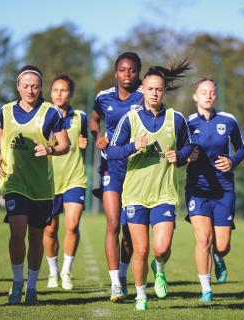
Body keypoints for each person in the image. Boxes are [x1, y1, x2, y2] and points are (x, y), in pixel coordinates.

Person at [108, 60, 193, 311]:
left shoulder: (175, 119)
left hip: (164, 193)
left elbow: (189, 145)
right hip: (134, 195)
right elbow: (112, 152)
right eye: (150, 89)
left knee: (161, 248)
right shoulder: (130, 119)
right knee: (141, 250)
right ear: (142, 90)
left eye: (159, 89)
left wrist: (181, 156)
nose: (155, 93)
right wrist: (134, 146)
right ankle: (141, 295)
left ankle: (161, 268)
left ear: (163, 91)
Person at [0, 65, 69, 305]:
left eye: (34, 86)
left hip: (41, 187)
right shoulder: (5, 111)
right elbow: (0, 137)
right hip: (14, 181)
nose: (30, 90)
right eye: (25, 86)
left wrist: (49, 149)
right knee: (17, 231)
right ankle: (17, 283)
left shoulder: (51, 113)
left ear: (40, 88)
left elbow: (64, 145)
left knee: (37, 238)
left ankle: (32, 287)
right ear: (18, 86)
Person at [186, 77, 244, 303]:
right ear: (195, 96)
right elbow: (178, 152)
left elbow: (242, 148)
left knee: (221, 245)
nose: (208, 95)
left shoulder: (228, 120)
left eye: (212, 92)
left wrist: (232, 161)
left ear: (216, 96)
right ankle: (206, 290)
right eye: (204, 92)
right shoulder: (188, 123)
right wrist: (187, 156)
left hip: (224, 189)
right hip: (197, 189)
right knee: (203, 240)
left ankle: (219, 257)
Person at [89, 52, 143, 301]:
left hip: (137, 169)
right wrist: (96, 135)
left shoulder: (144, 97)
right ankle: (115, 284)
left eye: (132, 70)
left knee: (129, 231)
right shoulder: (103, 97)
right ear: (115, 73)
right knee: (112, 224)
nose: (127, 74)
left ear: (138, 72)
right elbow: (94, 118)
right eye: (122, 70)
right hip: (112, 165)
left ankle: (122, 272)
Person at [43, 74, 88, 290]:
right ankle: (52, 272)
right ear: (50, 92)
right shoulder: (42, 116)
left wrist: (86, 142)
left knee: (72, 225)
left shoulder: (81, 117)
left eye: (63, 90)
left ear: (71, 93)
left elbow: (89, 139)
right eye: (55, 90)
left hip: (74, 179)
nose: (59, 94)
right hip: (47, 182)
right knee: (50, 230)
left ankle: (66, 271)